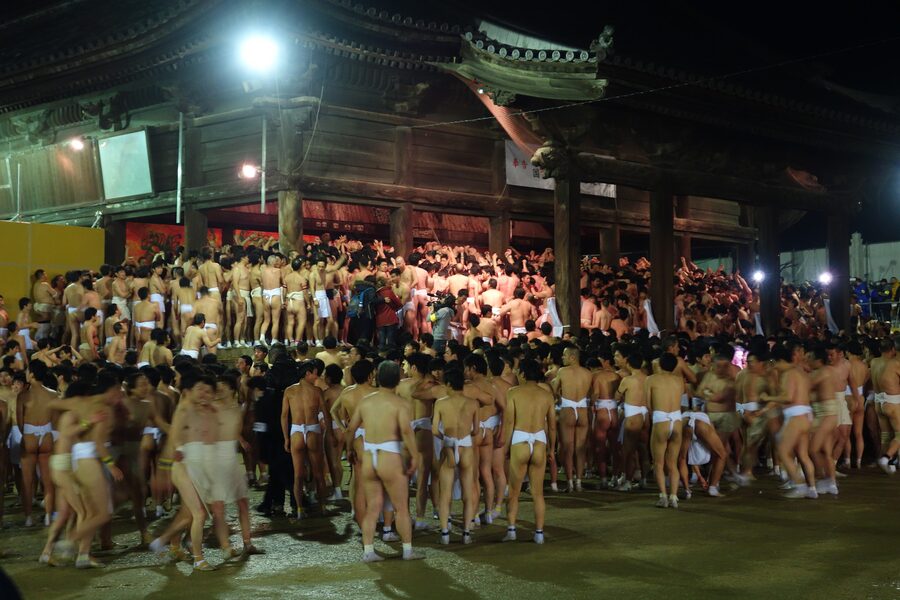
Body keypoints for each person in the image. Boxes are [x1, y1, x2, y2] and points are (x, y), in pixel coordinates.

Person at [345, 361, 423, 562]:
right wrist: (415, 456)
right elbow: (406, 432)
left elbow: (350, 429)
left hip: (370, 456)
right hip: (390, 456)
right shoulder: (401, 404)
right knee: (401, 508)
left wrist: (349, 450)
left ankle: (368, 551)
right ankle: (407, 550)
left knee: (373, 507)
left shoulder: (366, 402)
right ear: (397, 379)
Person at [502, 358, 555, 544]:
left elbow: (509, 422)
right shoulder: (546, 394)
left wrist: (506, 446)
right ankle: (539, 533)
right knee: (538, 493)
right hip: (539, 440)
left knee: (514, 492)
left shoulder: (513, 393)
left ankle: (511, 530)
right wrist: (552, 448)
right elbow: (553, 426)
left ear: (523, 374)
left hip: (520, 439)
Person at [761, 343, 817, 498]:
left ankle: (800, 485)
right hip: (806, 415)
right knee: (803, 455)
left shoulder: (789, 374)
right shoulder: (802, 372)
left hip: (796, 417)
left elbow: (788, 397)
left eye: (775, 363)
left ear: (780, 360)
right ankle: (812, 488)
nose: (775, 367)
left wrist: (768, 397)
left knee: (783, 451)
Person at [432, 368, 478, 545]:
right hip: (466, 447)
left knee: (445, 494)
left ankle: (445, 534)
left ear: (449, 384)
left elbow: (435, 430)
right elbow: (476, 430)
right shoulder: (473, 403)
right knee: (468, 493)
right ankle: (466, 533)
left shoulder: (441, 403)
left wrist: (447, 440)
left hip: (450, 447)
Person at [281, 361, 329, 518]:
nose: (318, 376)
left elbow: (284, 416)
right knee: (318, 474)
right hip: (313, 430)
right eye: (316, 373)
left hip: (296, 431)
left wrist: (286, 438)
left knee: (298, 475)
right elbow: (325, 414)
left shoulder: (289, 391)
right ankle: (322, 507)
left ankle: (300, 509)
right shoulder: (316, 391)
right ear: (308, 373)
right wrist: (329, 433)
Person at [550, 346, 592, 492]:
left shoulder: (562, 371)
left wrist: (558, 397)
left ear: (573, 357)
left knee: (568, 448)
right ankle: (579, 482)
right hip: (582, 410)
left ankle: (570, 482)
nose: (562, 358)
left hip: (568, 409)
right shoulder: (588, 373)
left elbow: (554, 390)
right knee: (580, 449)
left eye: (564, 355)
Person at [646, 353, 684, 508]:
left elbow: (649, 405)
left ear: (659, 364)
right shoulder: (679, 380)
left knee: (658, 463)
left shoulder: (651, 379)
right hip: (676, 419)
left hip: (661, 419)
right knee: (672, 463)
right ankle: (674, 497)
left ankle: (663, 496)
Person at [615, 352, 649, 491]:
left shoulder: (628, 380)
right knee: (643, 449)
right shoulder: (648, 378)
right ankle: (644, 480)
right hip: (646, 415)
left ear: (629, 364)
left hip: (633, 415)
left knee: (628, 451)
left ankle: (628, 481)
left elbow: (617, 396)